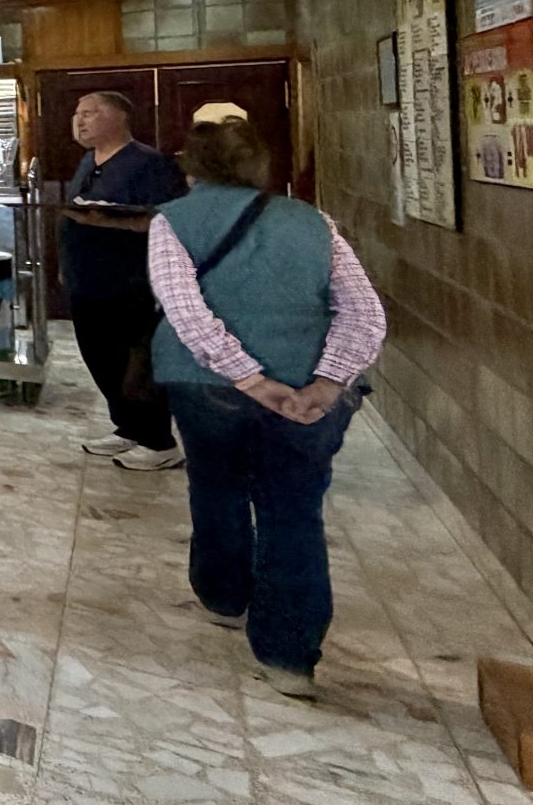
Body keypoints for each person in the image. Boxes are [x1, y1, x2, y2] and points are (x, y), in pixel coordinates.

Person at [148, 117, 385, 701]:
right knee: (294, 511)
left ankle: (225, 596)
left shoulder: (173, 221)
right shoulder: (314, 223)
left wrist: (250, 379)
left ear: (192, 168)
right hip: (304, 387)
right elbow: (364, 313)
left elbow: (185, 312)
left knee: (216, 486)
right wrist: (326, 384)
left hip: (207, 386)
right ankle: (289, 657)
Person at [61, 91, 191, 468]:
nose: (80, 121)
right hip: (85, 279)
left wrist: (111, 220)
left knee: (135, 363)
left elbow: (166, 218)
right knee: (100, 357)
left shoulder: (148, 164)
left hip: (129, 281)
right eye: (78, 113)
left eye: (90, 113)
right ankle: (128, 427)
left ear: (119, 117)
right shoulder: (87, 161)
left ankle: (158, 441)